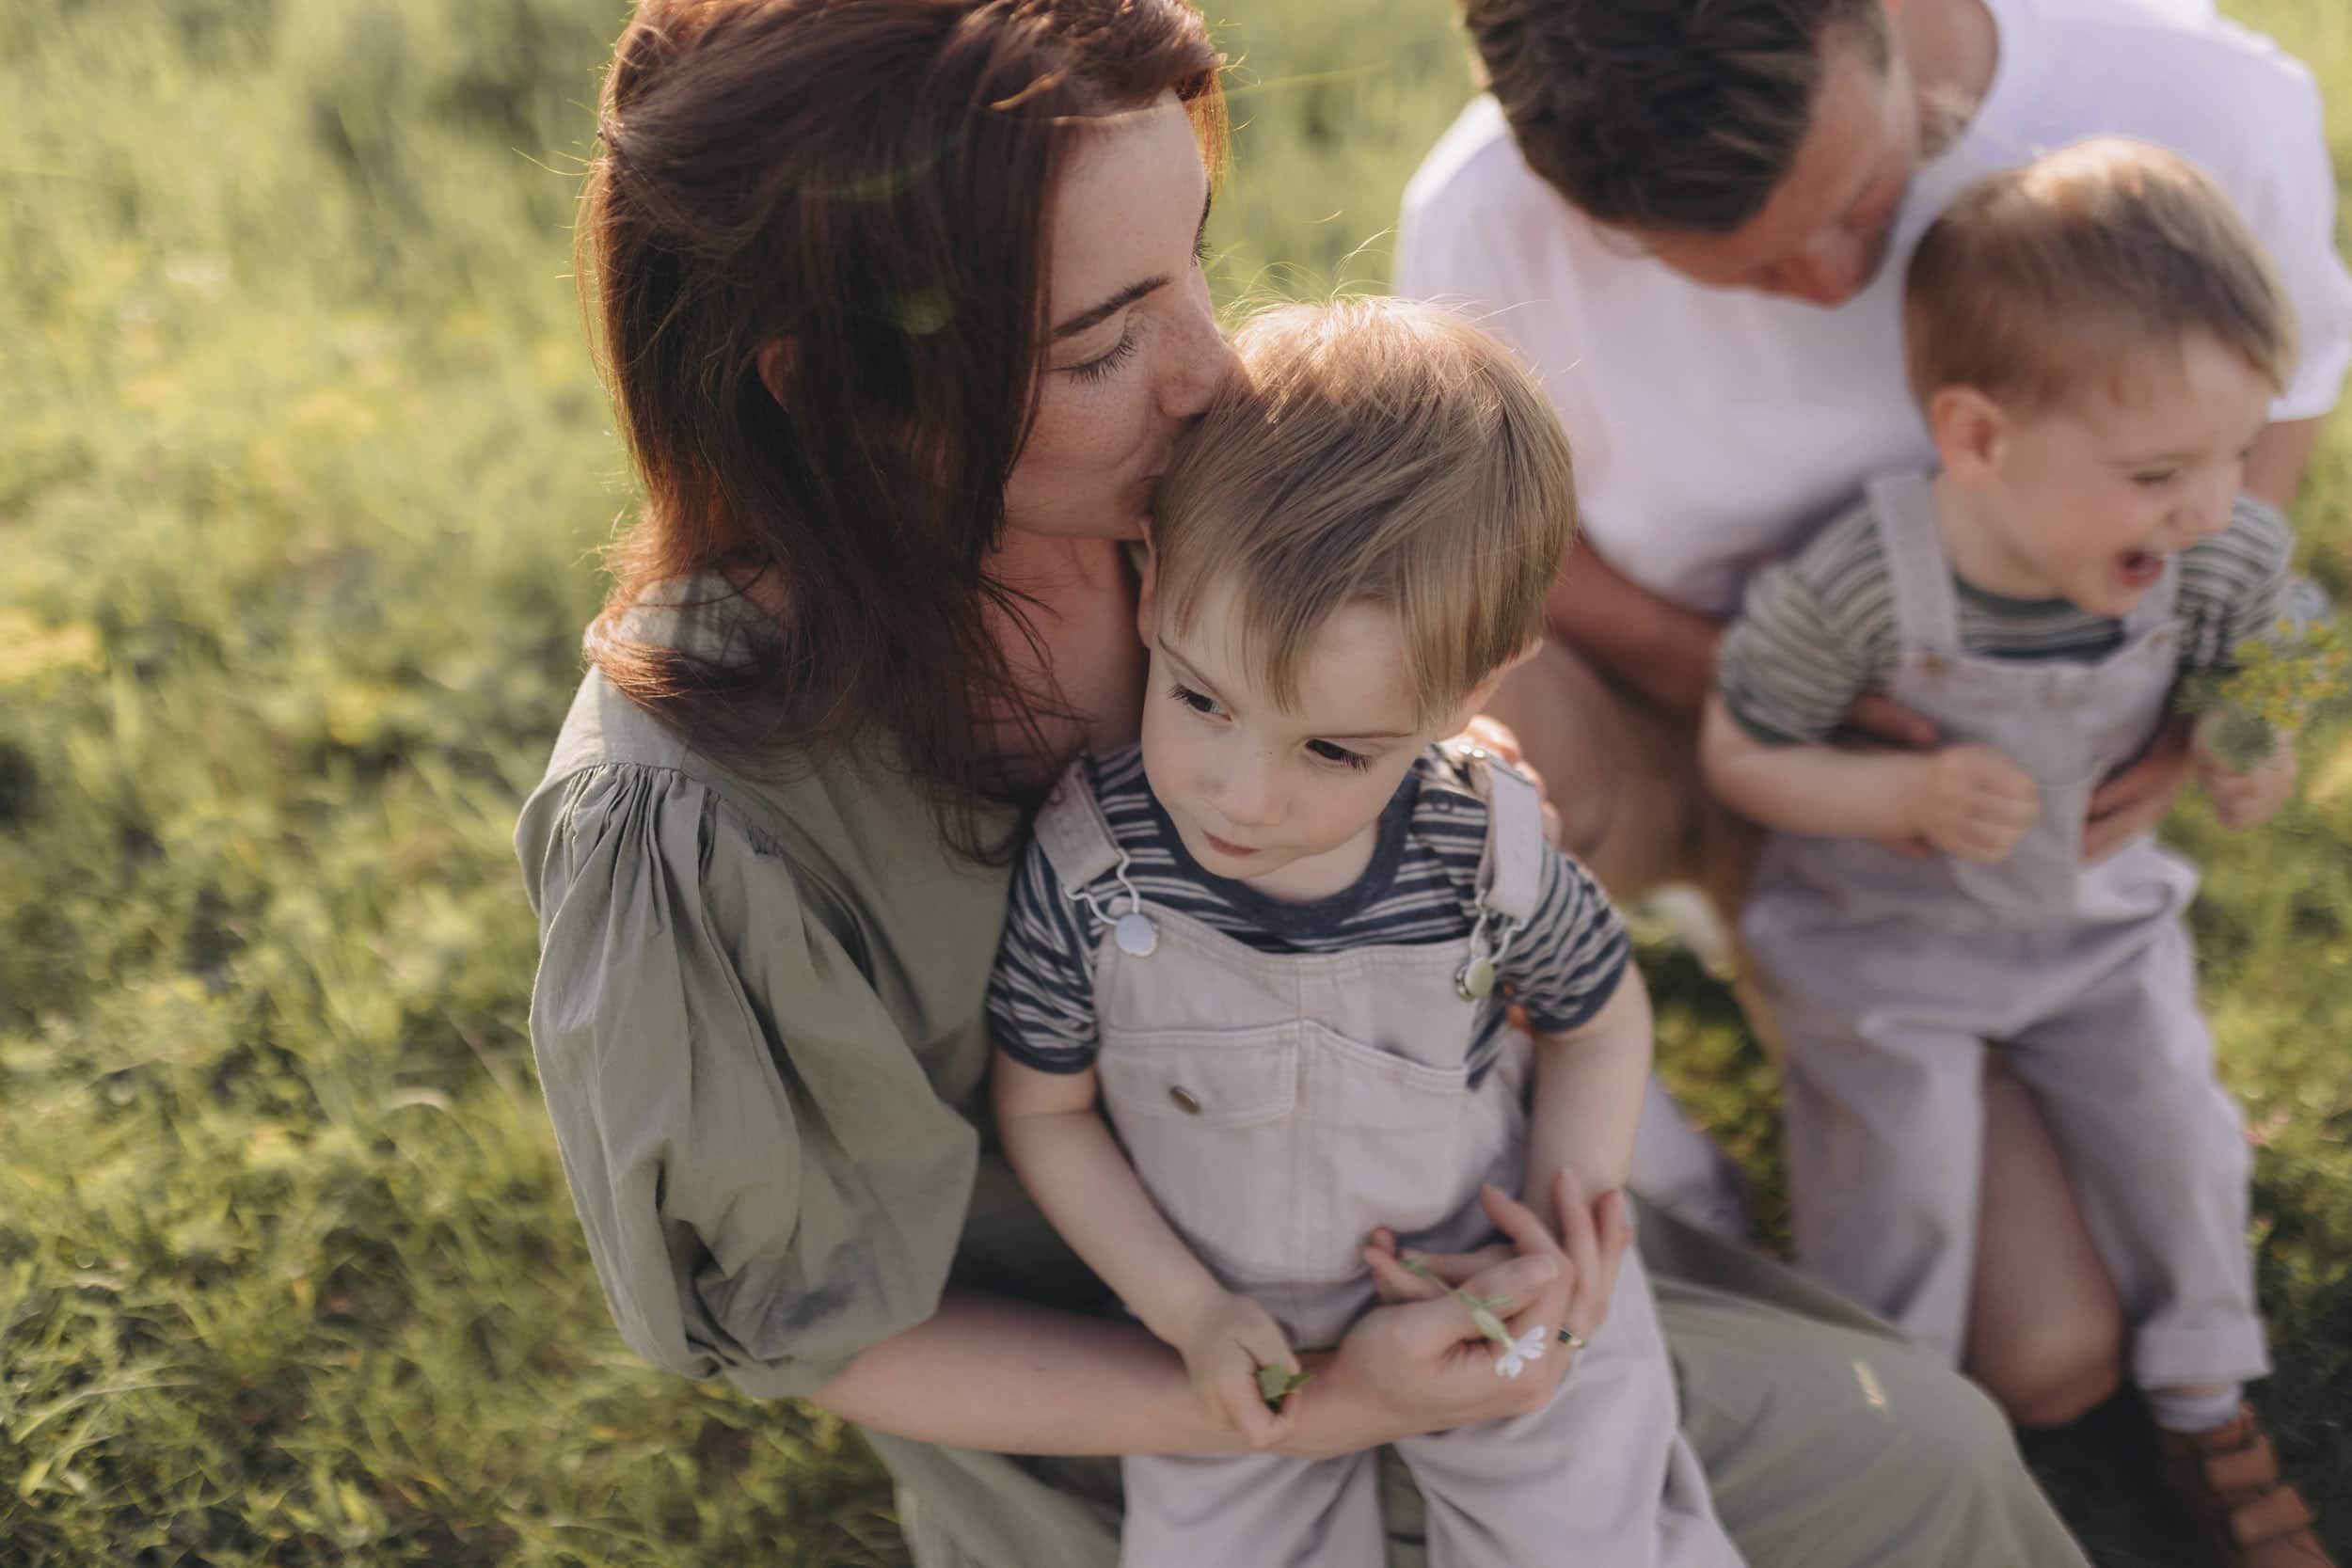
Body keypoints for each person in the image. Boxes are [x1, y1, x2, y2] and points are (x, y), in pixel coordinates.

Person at [516, 2, 2096, 1563]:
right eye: (1101, 339)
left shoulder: (1206, 496)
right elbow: (808, 1330)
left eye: (1190, 260)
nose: (1211, 368)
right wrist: (1310, 1402)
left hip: (1437, 1221)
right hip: (1146, 1402)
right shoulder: (692, 813)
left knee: (1933, 1452)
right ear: (833, 385)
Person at [1395, 0, 2352, 1429]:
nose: (1842, 281)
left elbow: (2266, 437)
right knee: (1454, 717)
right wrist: (1776, 688)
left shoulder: (2200, 100)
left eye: (1864, 199)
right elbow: (1517, 544)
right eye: (1749, 271)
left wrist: (2196, 687)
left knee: (2047, 1358)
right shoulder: (1486, 218)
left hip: (1980, 819)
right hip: (1683, 724)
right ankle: (1633, 1169)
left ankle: (1811, 1028)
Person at [989, 296, 1743, 1566]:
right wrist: (1188, 1312)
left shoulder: (1478, 851)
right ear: (1156, 586)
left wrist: (1569, 1228)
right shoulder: (1088, 870)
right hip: (1238, 1321)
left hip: (1476, 1276)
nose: (1241, 791)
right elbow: (1044, 1111)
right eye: (1201, 697)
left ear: (1473, 691)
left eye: (1334, 748)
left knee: (1590, 1537)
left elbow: (1598, 1019)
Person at [1698, 138, 2329, 1568]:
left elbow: (2289, 638)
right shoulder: (1866, 576)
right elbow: (1737, 751)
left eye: (2236, 454)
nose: (2212, 508)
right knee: (1900, 1171)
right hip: (1885, 946)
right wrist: (1893, 803)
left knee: (2172, 1113)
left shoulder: (2206, 553)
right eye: (2163, 470)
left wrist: (2247, 737)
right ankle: (1887, 1424)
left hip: (2092, 931)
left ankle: (2204, 1397)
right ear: (1977, 438)